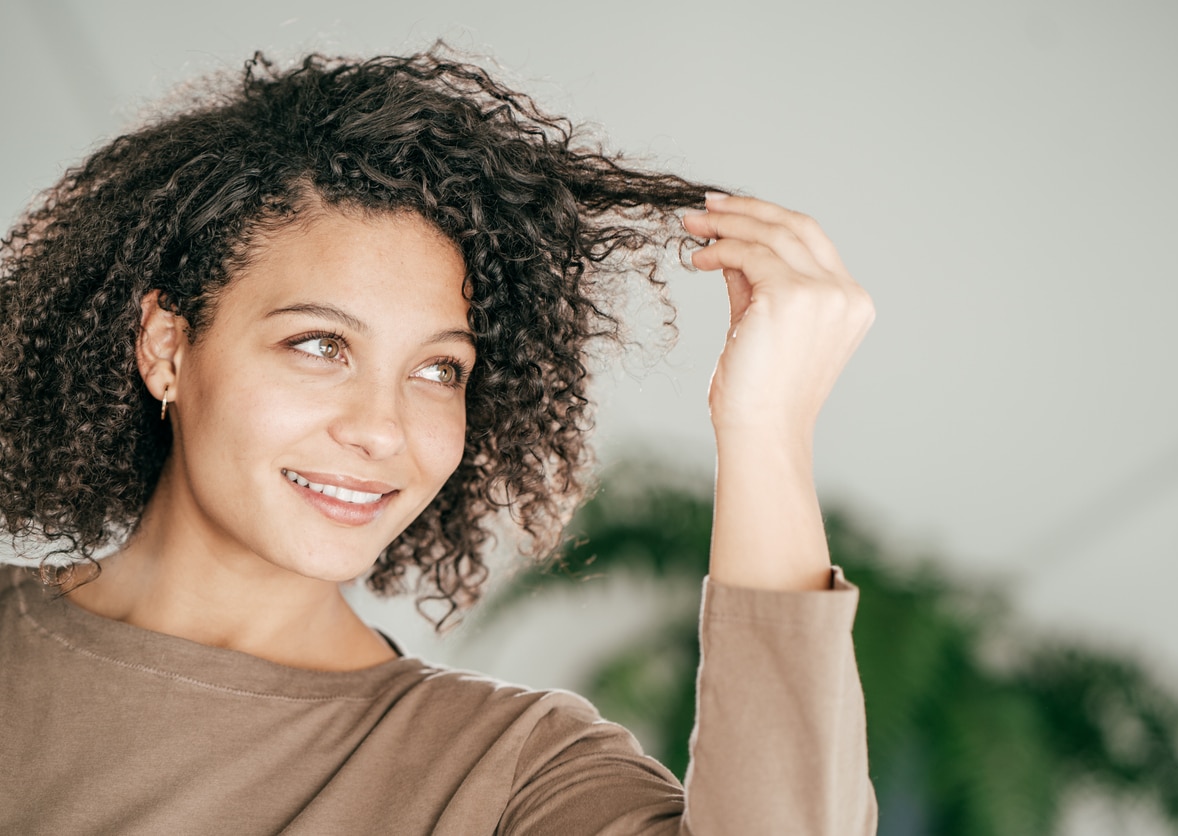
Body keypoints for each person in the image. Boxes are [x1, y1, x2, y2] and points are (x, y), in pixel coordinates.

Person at [0, 49, 877, 834]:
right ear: (167, 346)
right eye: (319, 345)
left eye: (439, 370)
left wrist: (763, 427)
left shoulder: (507, 773)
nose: (381, 429)